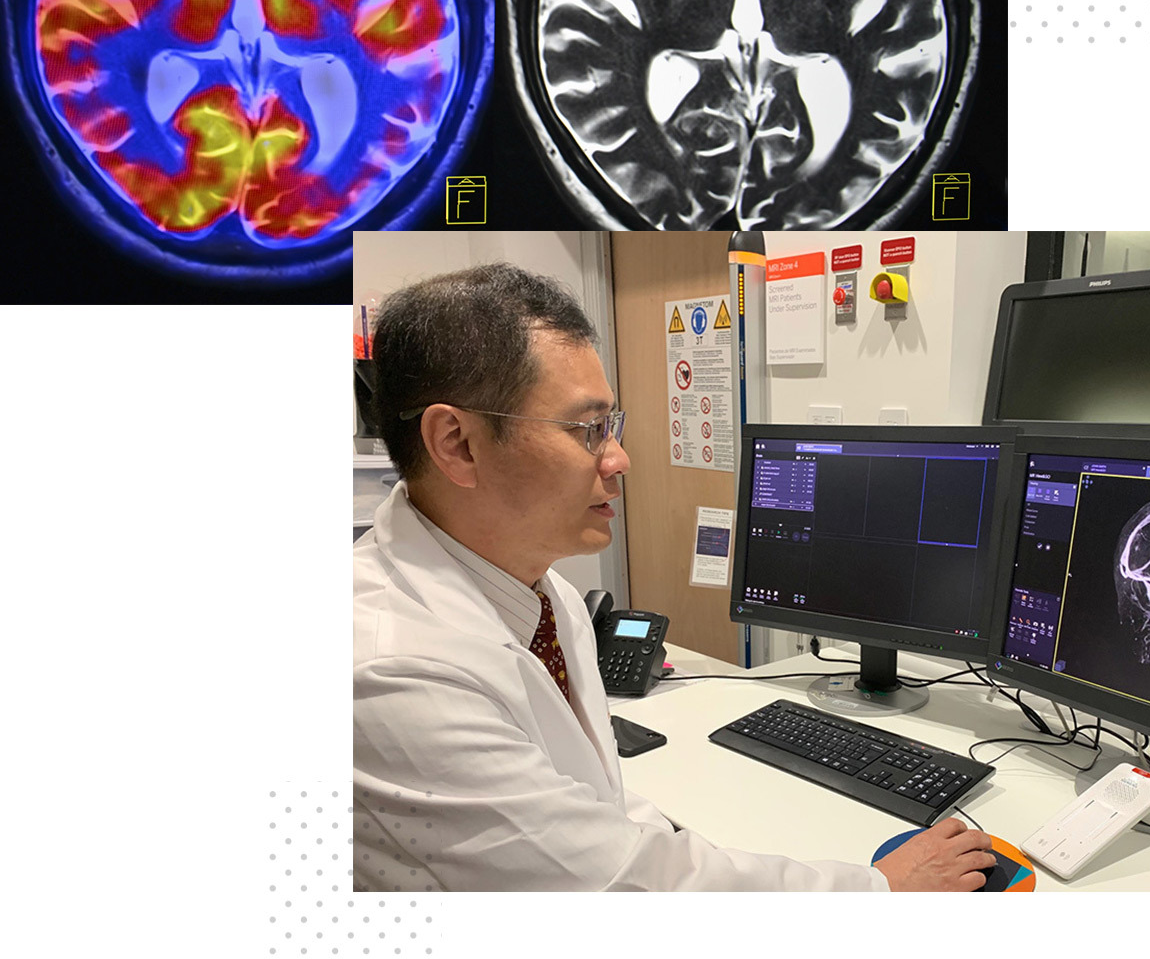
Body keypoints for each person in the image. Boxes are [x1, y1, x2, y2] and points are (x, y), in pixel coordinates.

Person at [354, 262, 997, 891]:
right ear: (457, 443)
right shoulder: (396, 674)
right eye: (588, 430)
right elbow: (615, 886)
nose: (619, 458)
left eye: (612, 426)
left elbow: (602, 811)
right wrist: (878, 891)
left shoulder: (546, 597)